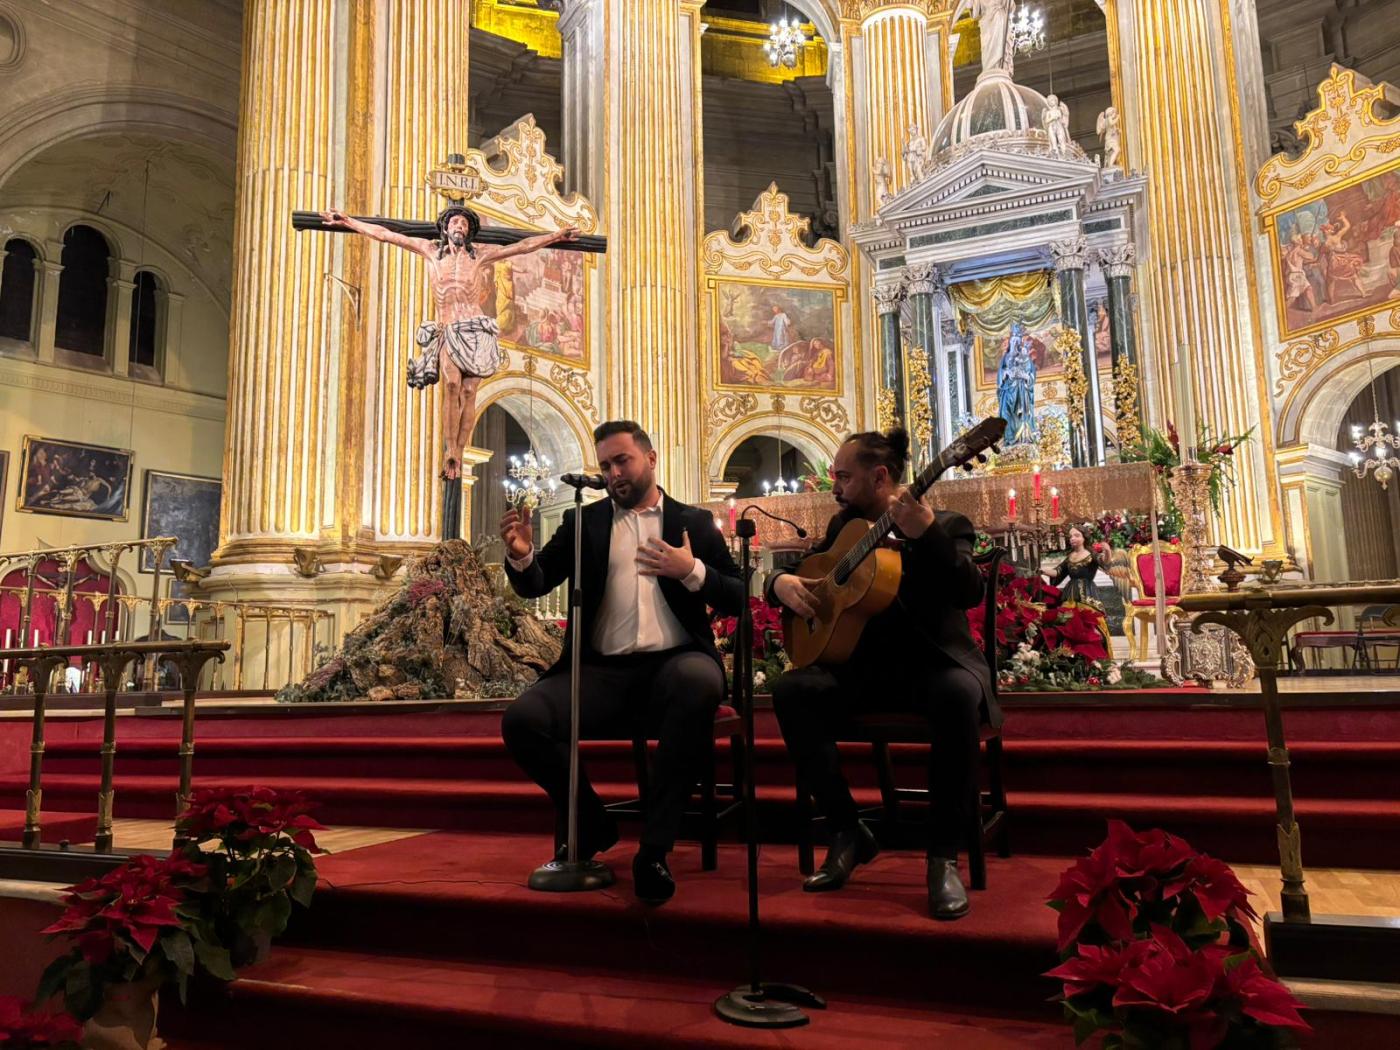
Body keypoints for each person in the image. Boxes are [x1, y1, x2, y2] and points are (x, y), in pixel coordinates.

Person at [498, 420, 745, 904]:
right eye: (606, 465)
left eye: (622, 461)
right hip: (602, 673)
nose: (613, 473)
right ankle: (591, 823)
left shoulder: (693, 523)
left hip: (676, 664)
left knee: (697, 681)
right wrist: (523, 557)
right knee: (522, 720)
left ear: (650, 459)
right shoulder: (584, 522)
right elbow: (537, 582)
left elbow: (738, 595)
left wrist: (691, 570)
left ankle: (654, 849)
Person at [767, 428, 996, 920]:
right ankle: (848, 830)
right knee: (791, 690)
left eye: (844, 477)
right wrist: (778, 581)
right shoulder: (842, 528)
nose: (836, 487)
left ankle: (942, 857)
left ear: (880, 477)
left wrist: (928, 533)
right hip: (861, 674)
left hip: (933, 670)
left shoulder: (949, 523)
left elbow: (968, 592)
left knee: (958, 694)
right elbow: (815, 575)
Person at [319, 205, 577, 480]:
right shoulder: (429, 251)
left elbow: (523, 246)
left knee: (469, 393)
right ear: (445, 227)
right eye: (455, 222)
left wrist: (555, 236)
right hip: (449, 329)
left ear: (469, 231)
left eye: (465, 225)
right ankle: (450, 449)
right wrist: (349, 221)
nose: (460, 227)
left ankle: (460, 453)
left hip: (476, 330)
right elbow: (386, 235)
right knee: (452, 385)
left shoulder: (480, 256)